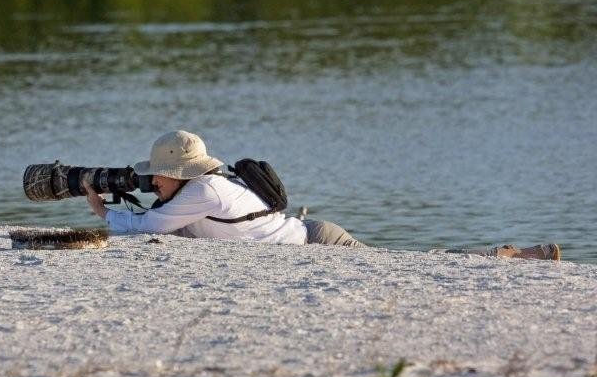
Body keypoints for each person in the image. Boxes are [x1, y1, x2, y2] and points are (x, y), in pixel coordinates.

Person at [83, 130, 560, 260]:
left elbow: (149, 227)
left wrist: (102, 210)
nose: (153, 182)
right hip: (312, 236)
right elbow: (175, 228)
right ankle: (513, 254)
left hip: (317, 244)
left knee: (423, 262)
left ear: (179, 173)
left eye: (159, 176)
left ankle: (508, 255)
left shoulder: (203, 190)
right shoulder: (207, 185)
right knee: (416, 262)